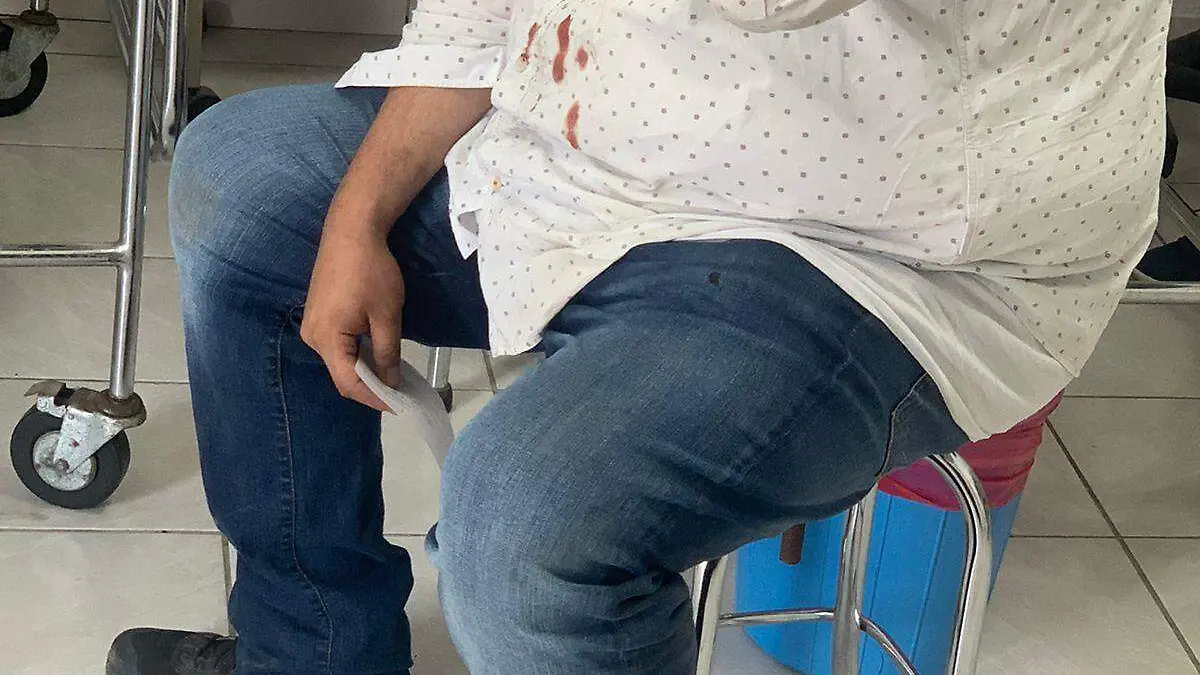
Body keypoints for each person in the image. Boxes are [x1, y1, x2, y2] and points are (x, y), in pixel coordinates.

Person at [104, 1, 1169, 674]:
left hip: (877, 245)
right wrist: (357, 213)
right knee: (244, 178)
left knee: (528, 520)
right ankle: (313, 654)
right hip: (593, 159)